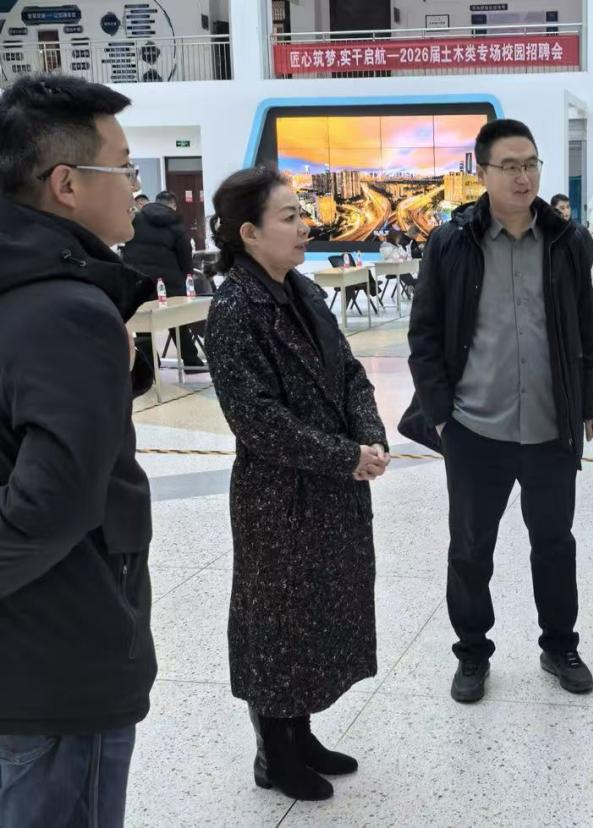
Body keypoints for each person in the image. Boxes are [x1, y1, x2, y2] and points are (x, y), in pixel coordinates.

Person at [402, 119, 593, 704]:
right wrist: (441, 414)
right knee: (471, 551)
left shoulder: (568, 241)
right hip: (474, 428)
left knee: (555, 544)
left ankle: (559, 646)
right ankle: (472, 653)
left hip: (550, 425)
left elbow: (586, 325)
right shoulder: (450, 243)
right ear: (483, 173)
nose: (523, 177)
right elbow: (424, 334)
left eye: (531, 164)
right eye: (510, 166)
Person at [203, 167, 390, 802]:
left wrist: (369, 437)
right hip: (278, 498)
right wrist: (345, 457)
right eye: (288, 217)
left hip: (332, 487)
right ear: (249, 233)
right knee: (277, 622)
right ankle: (273, 753)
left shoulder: (303, 291)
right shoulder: (234, 309)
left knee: (313, 616)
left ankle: (301, 733)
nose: (303, 225)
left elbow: (350, 373)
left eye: (300, 214)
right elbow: (257, 420)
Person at [0, 74, 156, 828]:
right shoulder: (65, 307)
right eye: (122, 166)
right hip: (62, 657)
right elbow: (52, 506)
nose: (135, 185)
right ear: (65, 184)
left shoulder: (24, 290)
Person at [122, 189, 206, 372]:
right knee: (178, 322)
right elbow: (185, 255)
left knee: (144, 323)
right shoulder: (175, 223)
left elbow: (125, 245)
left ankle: (152, 365)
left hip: (139, 281)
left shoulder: (135, 219)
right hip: (170, 283)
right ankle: (191, 362)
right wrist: (187, 277)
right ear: (173, 205)